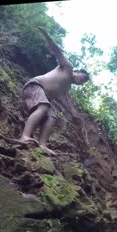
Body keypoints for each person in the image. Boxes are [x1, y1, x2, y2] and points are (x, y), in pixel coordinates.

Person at [18, 27, 90, 156]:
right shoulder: (68, 68)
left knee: (52, 116)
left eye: (83, 83)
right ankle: (24, 136)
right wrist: (46, 34)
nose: (80, 82)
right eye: (82, 78)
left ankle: (42, 144)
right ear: (78, 72)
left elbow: (58, 99)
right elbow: (56, 51)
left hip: (42, 95)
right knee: (44, 106)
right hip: (35, 86)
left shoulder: (67, 87)